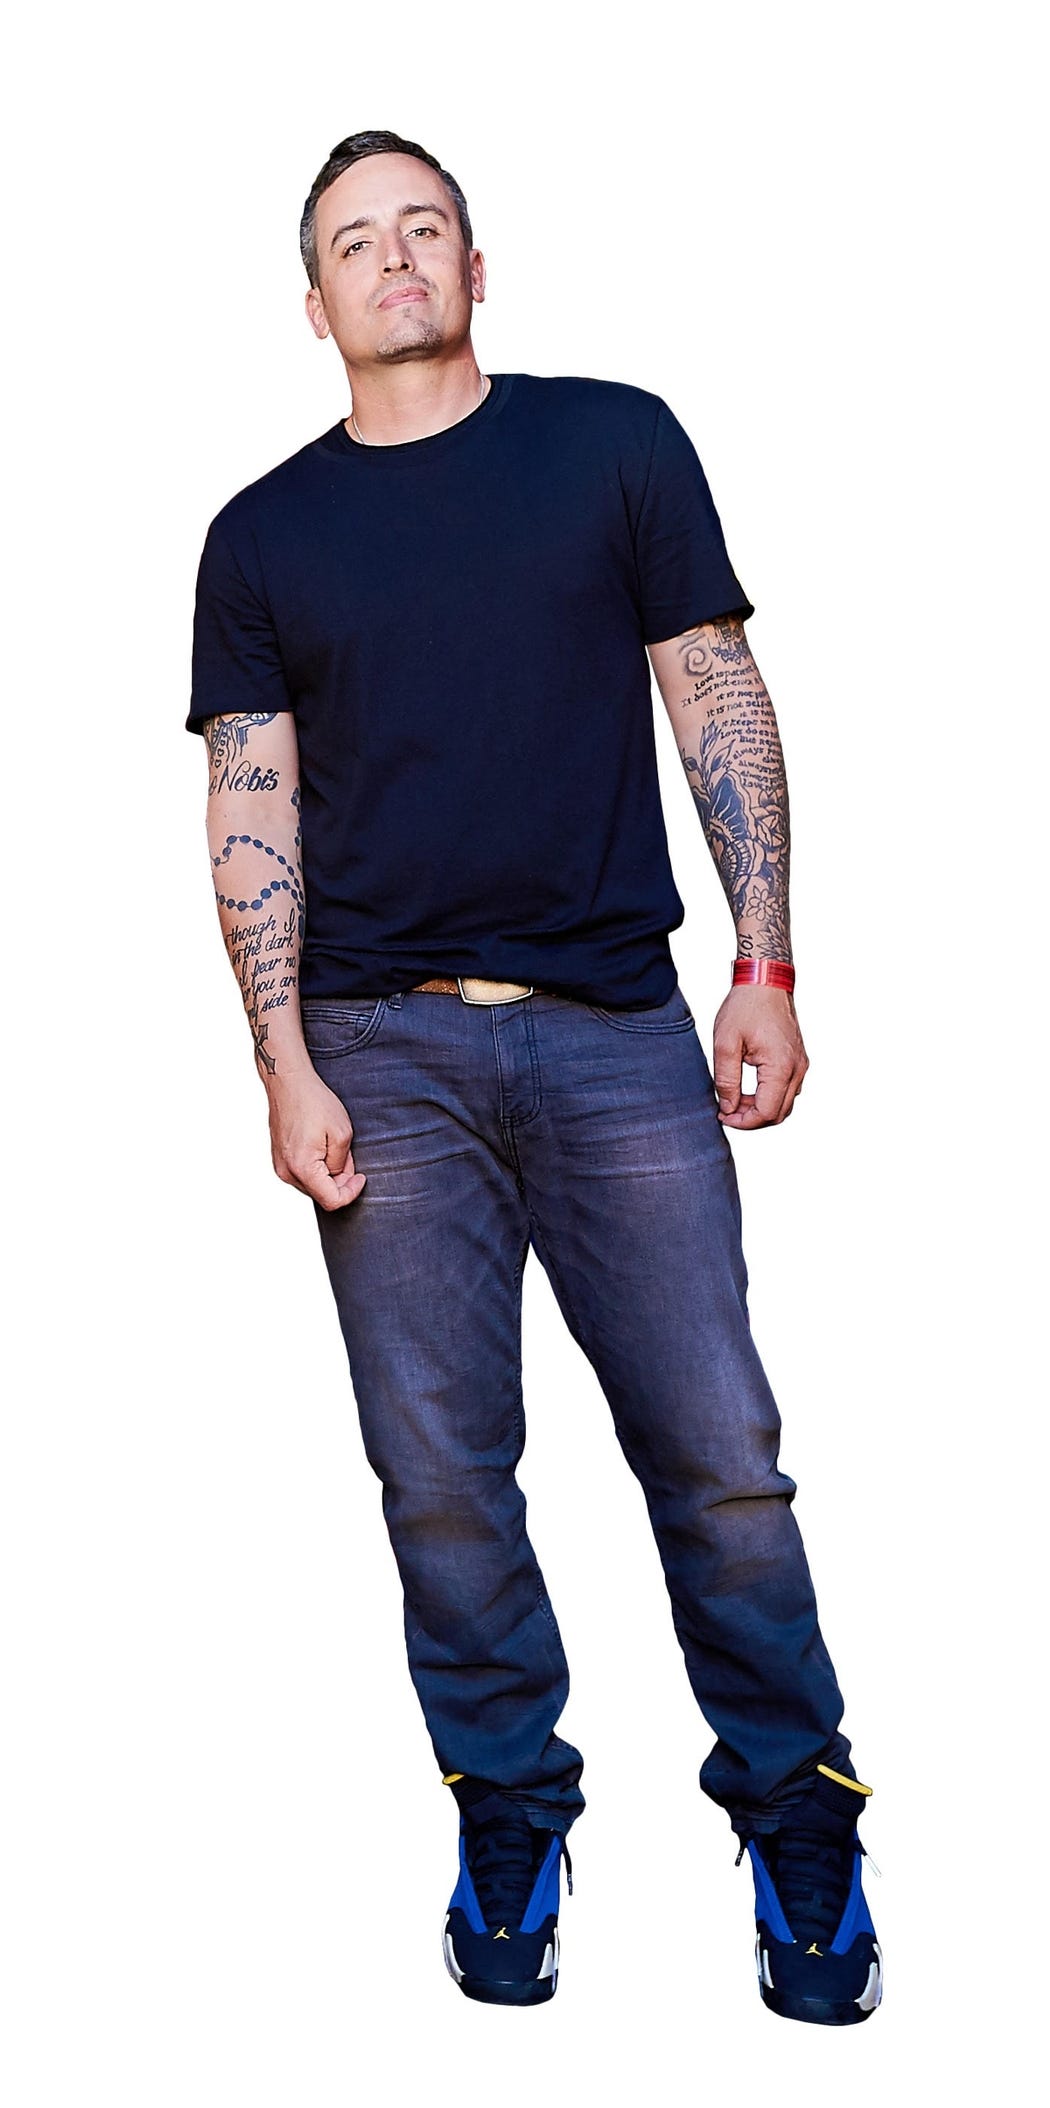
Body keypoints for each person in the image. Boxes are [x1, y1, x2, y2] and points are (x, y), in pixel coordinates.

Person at [185, 127, 883, 2025]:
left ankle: (799, 1815)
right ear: (313, 303)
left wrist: (762, 960)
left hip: (614, 1034)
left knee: (720, 1462)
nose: (393, 257)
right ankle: (508, 1808)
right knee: (439, 1481)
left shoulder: (611, 446)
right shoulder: (260, 536)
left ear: (476, 268)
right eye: (354, 240)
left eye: (424, 227)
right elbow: (251, 804)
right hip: (380, 1053)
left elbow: (714, 693)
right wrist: (279, 1063)